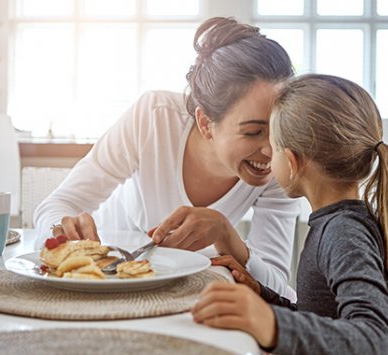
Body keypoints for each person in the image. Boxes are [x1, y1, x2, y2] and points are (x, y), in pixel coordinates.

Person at [34, 17, 300, 295]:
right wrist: (59, 234)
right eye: (253, 132)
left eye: (280, 128)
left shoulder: (285, 160)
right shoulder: (153, 118)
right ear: (206, 123)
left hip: (188, 284)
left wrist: (225, 234)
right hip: (107, 277)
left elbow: (278, 288)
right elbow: (61, 202)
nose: (271, 149)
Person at [191, 74, 388, 354]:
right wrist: (264, 296)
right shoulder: (336, 223)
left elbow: (376, 338)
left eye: (274, 146)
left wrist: (272, 324)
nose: (268, 156)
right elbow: (323, 318)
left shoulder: (343, 233)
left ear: (293, 161)